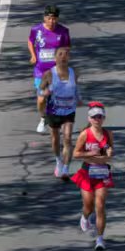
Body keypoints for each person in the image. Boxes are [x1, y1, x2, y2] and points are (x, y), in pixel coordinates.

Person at [71, 101, 115, 250]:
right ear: (89, 119)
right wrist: (90, 153)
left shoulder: (108, 134)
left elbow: (110, 153)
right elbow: (75, 154)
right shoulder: (85, 134)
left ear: (104, 118)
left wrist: (109, 153)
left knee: (100, 206)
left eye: (100, 117)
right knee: (89, 205)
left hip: (102, 173)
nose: (97, 119)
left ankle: (100, 239)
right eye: (94, 117)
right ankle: (85, 216)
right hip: (87, 173)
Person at [39, 44, 81, 176]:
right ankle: (58, 161)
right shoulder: (49, 74)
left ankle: (66, 168)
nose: (63, 57)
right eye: (60, 54)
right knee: (55, 138)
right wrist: (45, 92)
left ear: (69, 58)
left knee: (68, 138)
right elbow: (40, 90)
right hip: (53, 111)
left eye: (66, 55)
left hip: (69, 110)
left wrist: (79, 98)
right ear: (55, 58)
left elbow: (76, 87)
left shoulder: (74, 72)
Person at [28, 5, 72, 131]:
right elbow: (30, 41)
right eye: (49, 18)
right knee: (41, 99)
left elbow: (67, 47)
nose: (52, 21)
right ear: (44, 18)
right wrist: (33, 55)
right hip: (41, 71)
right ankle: (43, 118)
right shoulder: (36, 30)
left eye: (54, 18)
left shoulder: (63, 31)